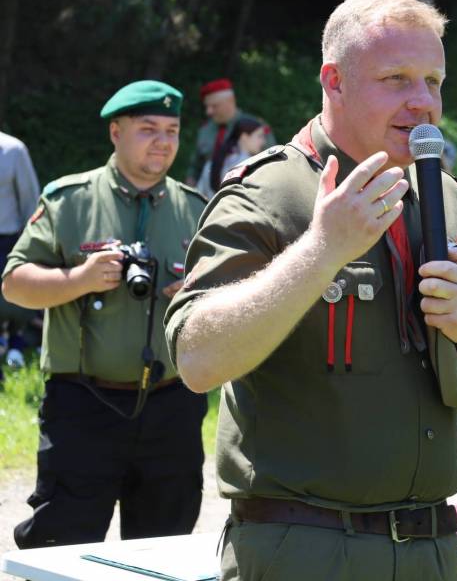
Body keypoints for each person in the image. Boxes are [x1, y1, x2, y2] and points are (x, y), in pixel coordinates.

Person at [164, 0, 457, 581]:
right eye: (396, 79)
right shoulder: (269, 194)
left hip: (431, 547)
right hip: (304, 548)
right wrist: (322, 250)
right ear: (334, 81)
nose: (422, 100)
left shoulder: (453, 201)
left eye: (433, 81)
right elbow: (197, 360)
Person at [2, 80, 208, 549]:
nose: (163, 142)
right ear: (116, 132)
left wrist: (198, 292)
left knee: (165, 549)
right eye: (148, 129)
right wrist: (80, 279)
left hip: (171, 406)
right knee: (62, 546)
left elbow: (233, 287)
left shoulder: (197, 210)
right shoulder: (70, 200)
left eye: (172, 131)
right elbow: (14, 284)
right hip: (83, 404)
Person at [0, 130, 41, 372]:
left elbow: (30, 200)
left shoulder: (13, 150)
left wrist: (32, 242)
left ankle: (17, 342)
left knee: (12, 302)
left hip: (6, 239)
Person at [186, 78, 275, 186]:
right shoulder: (205, 130)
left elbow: (272, 164)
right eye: (207, 107)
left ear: (230, 101)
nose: (208, 112)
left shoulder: (254, 128)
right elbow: (195, 167)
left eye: (214, 106)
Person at [195, 116, 266, 198]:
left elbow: (199, 195)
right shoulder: (249, 166)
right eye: (259, 136)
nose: (263, 142)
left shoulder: (212, 162)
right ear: (244, 136)